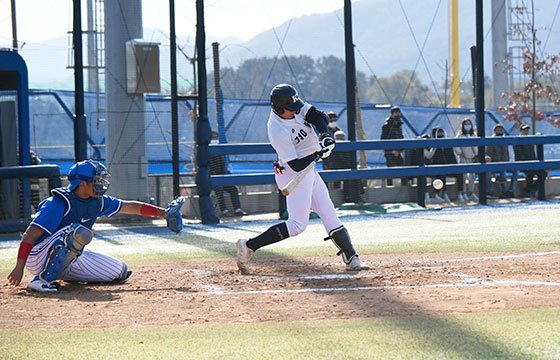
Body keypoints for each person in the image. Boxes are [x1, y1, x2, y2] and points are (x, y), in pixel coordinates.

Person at [236, 83, 369, 273]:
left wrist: (325, 136)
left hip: (309, 170)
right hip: (294, 173)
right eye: (290, 110)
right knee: (297, 225)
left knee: (328, 211)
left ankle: (351, 258)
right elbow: (295, 164)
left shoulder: (295, 107)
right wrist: (318, 154)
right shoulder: (276, 129)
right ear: (279, 108)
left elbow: (317, 116)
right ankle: (248, 245)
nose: (295, 112)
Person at [7, 159, 184, 292]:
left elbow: (130, 206)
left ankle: (63, 274)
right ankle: (41, 280)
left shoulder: (97, 202)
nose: (101, 183)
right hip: (36, 255)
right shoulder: (59, 202)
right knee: (77, 232)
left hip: (67, 255)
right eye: (96, 179)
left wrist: (164, 213)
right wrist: (19, 267)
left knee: (119, 271)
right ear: (82, 184)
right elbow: (30, 235)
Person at [209, 131, 248, 217]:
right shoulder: (206, 151)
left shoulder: (219, 152)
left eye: (216, 138)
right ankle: (224, 211)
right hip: (211, 180)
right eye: (213, 138)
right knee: (219, 189)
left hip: (222, 178)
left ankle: (237, 209)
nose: (215, 140)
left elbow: (223, 167)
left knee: (233, 188)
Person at [424, 127, 464, 203]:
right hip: (435, 167)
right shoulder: (432, 145)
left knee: (460, 172)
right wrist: (435, 147)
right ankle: (440, 194)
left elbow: (453, 159)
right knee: (441, 173)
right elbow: (429, 157)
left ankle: (460, 194)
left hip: (447, 166)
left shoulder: (448, 146)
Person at [322, 130, 356, 203]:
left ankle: (349, 196)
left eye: (342, 137)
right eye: (339, 137)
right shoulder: (331, 147)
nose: (341, 139)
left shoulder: (346, 148)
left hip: (342, 170)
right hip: (334, 170)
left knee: (351, 176)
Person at [485, 123, 515, 198]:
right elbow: (489, 154)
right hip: (494, 163)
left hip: (504, 163)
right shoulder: (491, 141)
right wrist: (496, 161)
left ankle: (509, 190)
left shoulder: (504, 140)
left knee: (515, 170)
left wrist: (506, 162)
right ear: (494, 131)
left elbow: (506, 154)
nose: (500, 131)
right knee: (493, 173)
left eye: (501, 130)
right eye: (498, 130)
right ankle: (489, 191)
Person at [454, 118, 479, 202]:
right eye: (466, 124)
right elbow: (456, 147)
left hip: (472, 158)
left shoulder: (474, 135)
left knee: (472, 176)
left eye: (469, 124)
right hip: (463, 159)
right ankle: (463, 193)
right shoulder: (460, 136)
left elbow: (477, 148)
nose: (467, 126)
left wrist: (475, 152)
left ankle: (471, 192)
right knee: (463, 177)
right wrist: (460, 152)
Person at [381, 106, 406, 186]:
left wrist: (400, 149)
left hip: (398, 151)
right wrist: (391, 150)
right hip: (390, 151)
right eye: (396, 113)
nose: (398, 115)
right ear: (392, 114)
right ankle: (389, 186)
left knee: (403, 168)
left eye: (398, 113)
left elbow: (400, 137)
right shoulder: (387, 125)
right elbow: (383, 139)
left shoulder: (398, 125)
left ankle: (404, 185)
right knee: (391, 170)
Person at [513, 123, 540, 197]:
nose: (526, 131)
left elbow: (533, 153)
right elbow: (518, 155)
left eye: (527, 130)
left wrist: (535, 163)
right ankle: (529, 190)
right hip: (522, 163)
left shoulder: (530, 139)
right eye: (524, 130)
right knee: (530, 172)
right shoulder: (518, 140)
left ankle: (532, 190)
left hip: (532, 163)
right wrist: (528, 163)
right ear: (521, 131)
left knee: (542, 173)